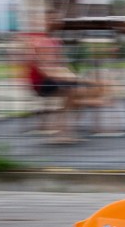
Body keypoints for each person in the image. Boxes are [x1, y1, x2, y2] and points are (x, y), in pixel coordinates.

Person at [23, 9, 107, 142]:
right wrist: (71, 78)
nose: (53, 23)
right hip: (43, 82)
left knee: (95, 86)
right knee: (75, 91)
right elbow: (45, 70)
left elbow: (62, 66)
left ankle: (65, 127)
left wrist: (74, 77)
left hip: (58, 78)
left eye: (55, 20)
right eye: (49, 19)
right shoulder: (37, 42)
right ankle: (63, 131)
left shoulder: (55, 41)